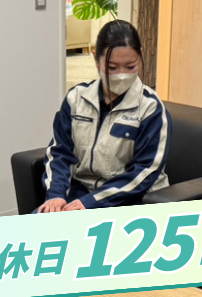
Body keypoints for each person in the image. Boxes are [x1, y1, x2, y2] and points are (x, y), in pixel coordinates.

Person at [37, 19, 170, 213]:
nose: (121, 75)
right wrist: (56, 195)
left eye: (130, 66)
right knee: (35, 225)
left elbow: (145, 171)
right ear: (95, 58)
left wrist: (92, 202)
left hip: (129, 199)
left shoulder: (150, 108)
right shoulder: (77, 98)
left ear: (140, 57)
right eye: (112, 67)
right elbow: (59, 153)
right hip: (80, 192)